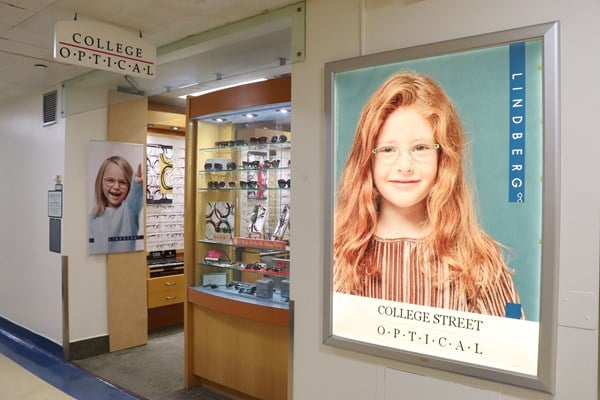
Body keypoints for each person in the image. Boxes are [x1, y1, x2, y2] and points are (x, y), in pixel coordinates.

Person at [333, 71, 522, 318]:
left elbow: (510, 345)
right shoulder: (335, 250)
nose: (404, 165)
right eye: (388, 149)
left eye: (420, 147)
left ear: (443, 157)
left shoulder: (476, 255)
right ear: (368, 158)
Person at [89, 155, 144, 254]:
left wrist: (137, 183)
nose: (116, 187)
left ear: (129, 186)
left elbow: (135, 196)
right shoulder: (92, 219)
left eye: (123, 182)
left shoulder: (129, 210)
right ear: (100, 182)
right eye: (110, 180)